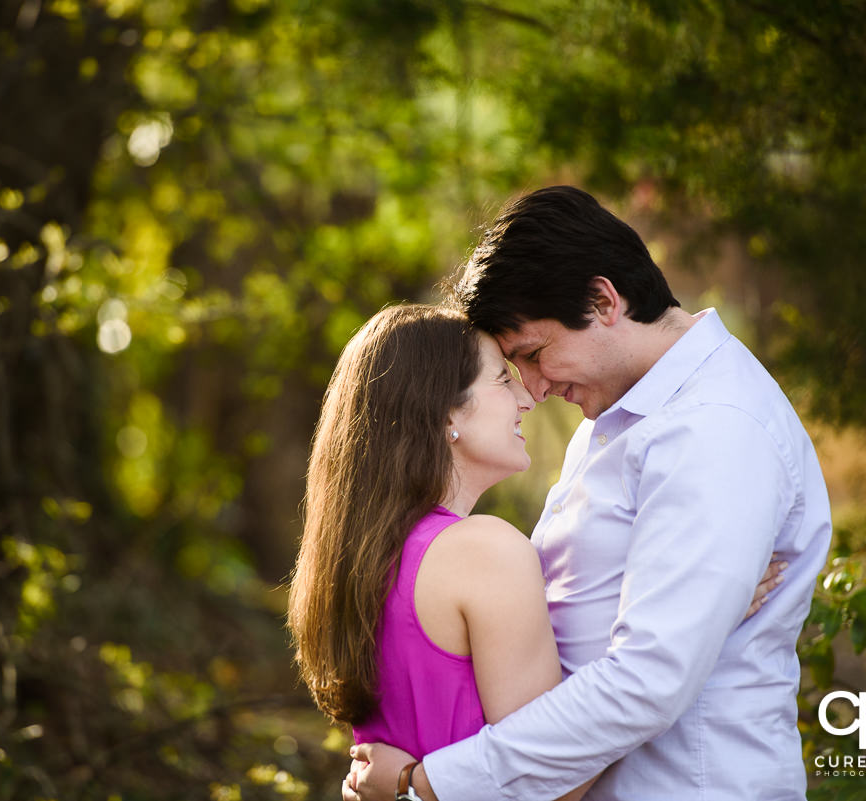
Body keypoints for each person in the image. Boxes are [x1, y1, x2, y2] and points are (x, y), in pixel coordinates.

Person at [347, 186, 831, 801]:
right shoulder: (620, 417)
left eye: (534, 354)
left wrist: (430, 785)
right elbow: (573, 622)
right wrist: (709, 609)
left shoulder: (717, 426)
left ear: (603, 301)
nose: (534, 388)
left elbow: (648, 680)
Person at [287, 302, 784, 801]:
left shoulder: (359, 561)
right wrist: (699, 613)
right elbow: (558, 782)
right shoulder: (484, 551)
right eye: (502, 380)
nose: (526, 397)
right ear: (444, 413)